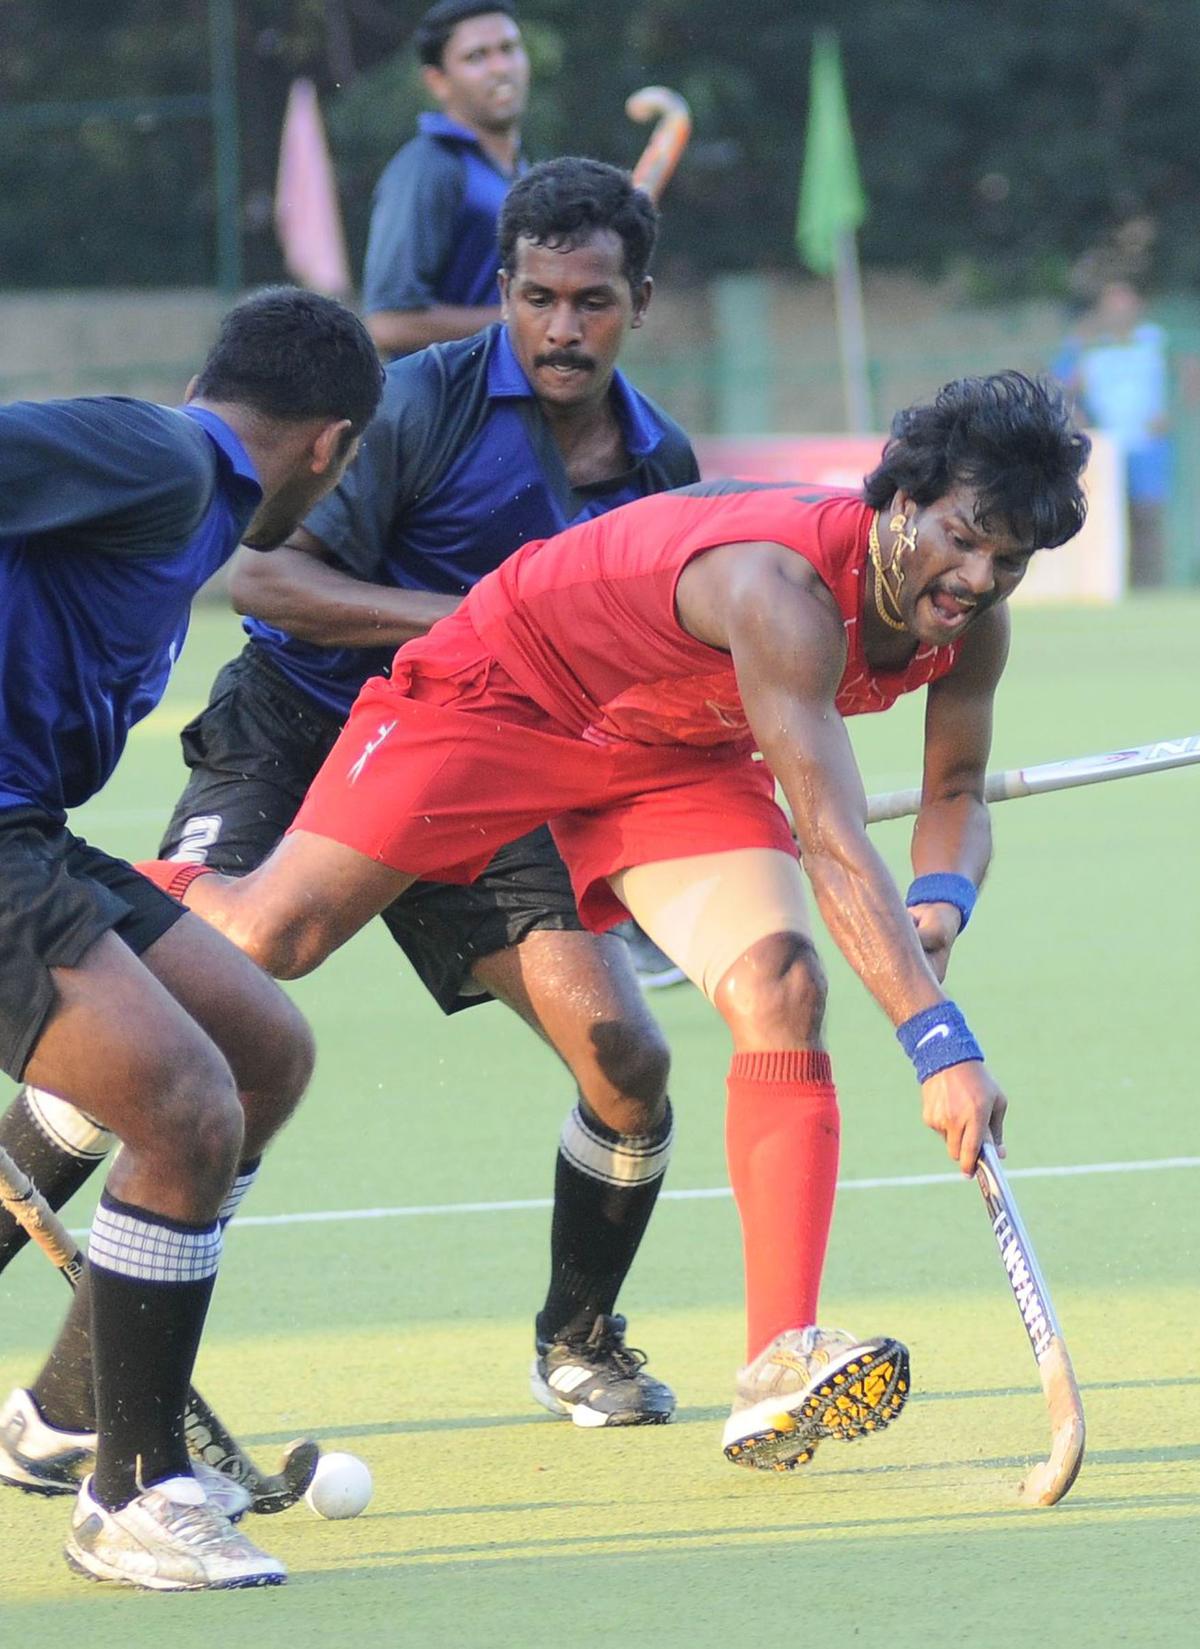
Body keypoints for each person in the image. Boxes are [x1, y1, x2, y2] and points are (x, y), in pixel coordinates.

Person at [138, 371, 1090, 1474]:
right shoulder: (780, 590)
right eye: (962, 537)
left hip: (669, 746)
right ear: (903, 500)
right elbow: (831, 837)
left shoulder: (970, 628)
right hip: (506, 688)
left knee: (782, 985)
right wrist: (939, 1041)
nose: (975, 577)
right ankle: (75, 886)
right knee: (270, 938)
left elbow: (957, 790)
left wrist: (940, 898)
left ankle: (779, 1359)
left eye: (1007, 559)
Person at [0, 159, 698, 1442]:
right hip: (300, 736)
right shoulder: (405, 406)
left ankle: (577, 1337)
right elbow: (268, 581)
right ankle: (90, 1395)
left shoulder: (661, 465)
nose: (560, 326)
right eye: (536, 295)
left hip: (482, 773)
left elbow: (647, 674)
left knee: (626, 1055)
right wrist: (487, 626)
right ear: (502, 290)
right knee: (213, 985)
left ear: (637, 302)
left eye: (590, 300)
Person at [0, 287, 384, 1589]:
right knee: (184, 1103)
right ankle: (131, 1493)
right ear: (329, 447)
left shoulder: (181, 495)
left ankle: (81, 1413)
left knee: (259, 1049)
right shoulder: (169, 462)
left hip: (31, 834)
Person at [362, 0, 529, 359]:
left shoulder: (524, 173)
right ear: (438, 81)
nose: (501, 68)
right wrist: (526, 320)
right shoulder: (428, 168)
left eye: (509, 49)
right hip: (452, 408)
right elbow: (389, 323)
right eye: (476, 57)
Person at [1052, 280, 1171, 587]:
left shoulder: (1155, 341)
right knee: (1108, 521)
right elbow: (1062, 385)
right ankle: (1111, 585)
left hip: (1147, 445)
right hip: (1107, 449)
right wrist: (1079, 418)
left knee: (1147, 517)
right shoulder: (1090, 347)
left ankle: (1150, 589)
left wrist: (1170, 410)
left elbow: (1185, 372)